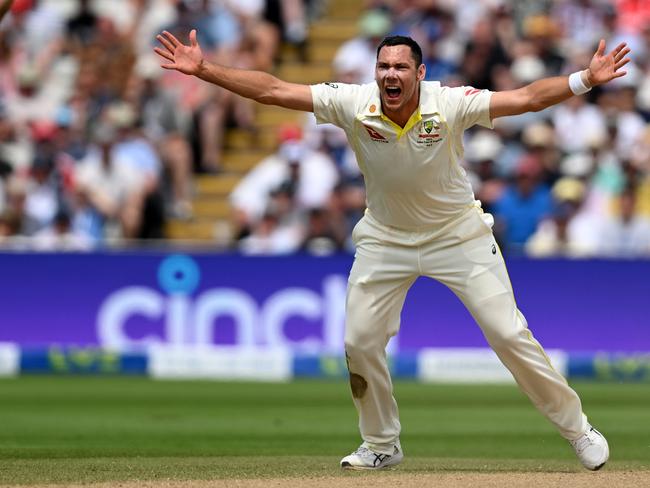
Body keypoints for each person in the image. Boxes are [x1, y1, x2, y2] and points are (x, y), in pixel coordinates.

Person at [154, 28, 630, 471]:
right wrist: (205, 70)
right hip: (385, 239)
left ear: (420, 73)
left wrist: (585, 79)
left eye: (401, 67)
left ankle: (577, 429)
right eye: (383, 67)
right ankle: (381, 444)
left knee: (508, 335)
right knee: (358, 342)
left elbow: (525, 98)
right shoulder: (353, 102)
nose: (390, 76)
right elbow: (275, 90)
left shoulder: (449, 103)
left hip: (458, 236)